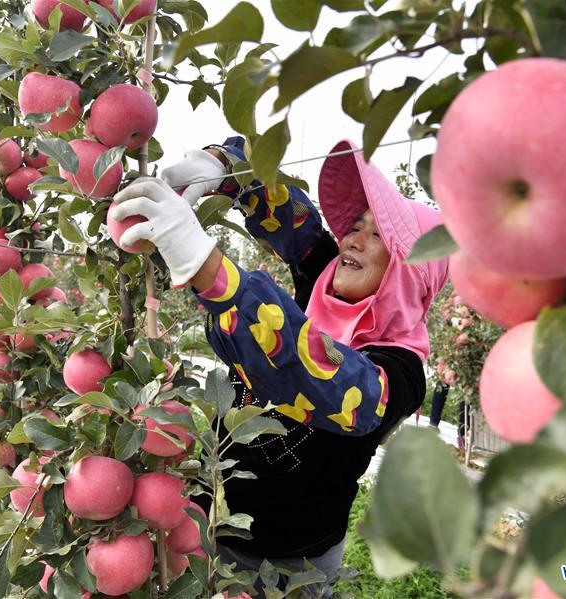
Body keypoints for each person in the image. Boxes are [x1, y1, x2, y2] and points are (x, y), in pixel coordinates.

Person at [111, 137, 449, 596]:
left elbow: (322, 380)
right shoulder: (327, 282)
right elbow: (293, 219)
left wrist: (206, 266)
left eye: (378, 237)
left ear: (408, 275)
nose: (352, 238)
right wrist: (227, 167)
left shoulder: (401, 371)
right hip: (210, 523)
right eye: (356, 225)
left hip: (294, 564)